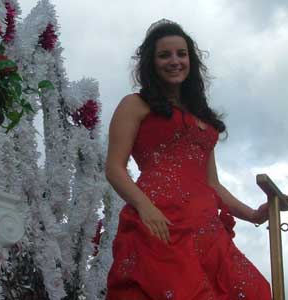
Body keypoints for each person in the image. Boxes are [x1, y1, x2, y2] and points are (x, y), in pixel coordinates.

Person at [105, 19, 272, 300]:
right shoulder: (135, 104)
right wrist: (145, 208)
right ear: (151, 62)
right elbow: (114, 168)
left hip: (207, 228)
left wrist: (254, 215)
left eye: (181, 54)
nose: (175, 61)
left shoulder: (202, 119)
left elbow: (213, 185)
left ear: (191, 60)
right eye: (164, 55)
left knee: (256, 291)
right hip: (161, 222)